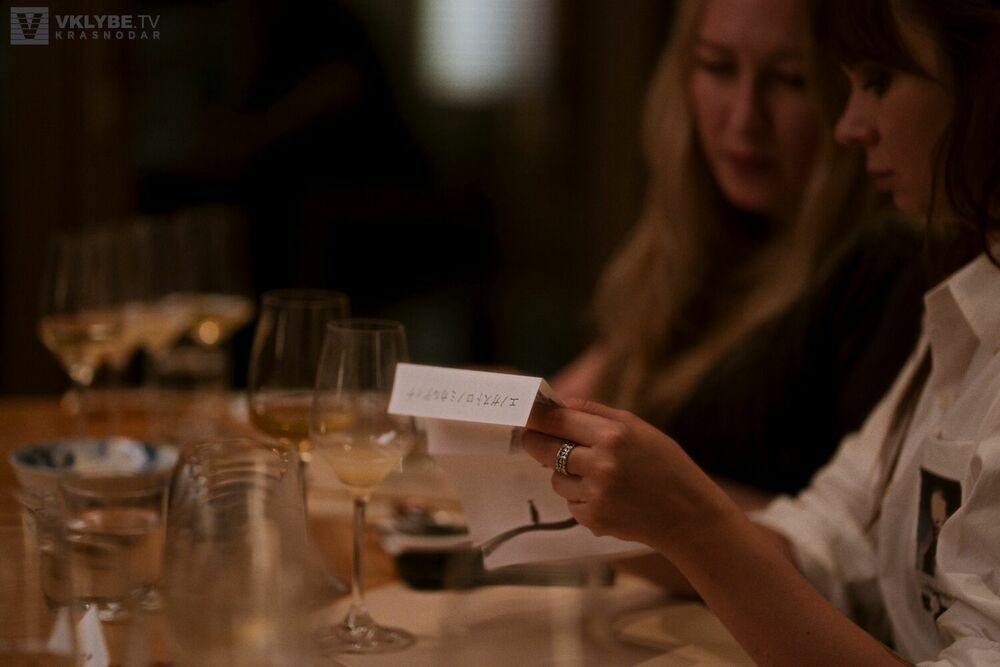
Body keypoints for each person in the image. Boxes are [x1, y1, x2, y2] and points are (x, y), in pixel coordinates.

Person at [524, 0, 1000, 663]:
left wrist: (688, 518)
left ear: (986, 81)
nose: (850, 126)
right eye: (718, 67)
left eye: (879, 81)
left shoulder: (890, 266)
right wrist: (645, 510)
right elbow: (824, 542)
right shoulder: (965, 310)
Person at [552, 0, 925, 497]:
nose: (746, 118)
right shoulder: (707, 250)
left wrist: (659, 501)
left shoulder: (885, 268)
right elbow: (567, 406)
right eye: (718, 67)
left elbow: (859, 538)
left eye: (790, 80)